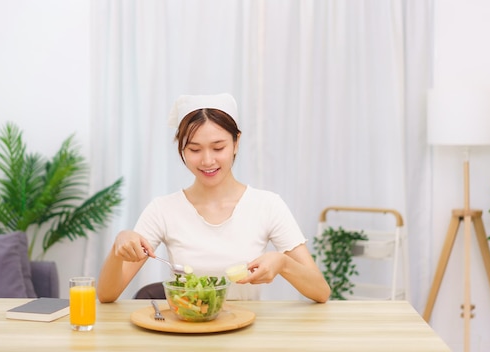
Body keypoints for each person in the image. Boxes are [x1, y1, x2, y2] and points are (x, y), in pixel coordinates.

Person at [97, 93, 330, 303]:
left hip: (246, 336)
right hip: (186, 333)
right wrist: (120, 245)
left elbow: (321, 292)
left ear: (236, 142)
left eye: (218, 148)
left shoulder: (267, 206)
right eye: (194, 150)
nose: (207, 161)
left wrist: (283, 263)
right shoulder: (162, 210)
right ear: (181, 148)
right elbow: (107, 295)